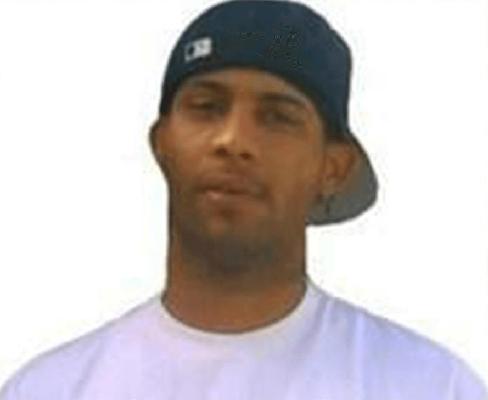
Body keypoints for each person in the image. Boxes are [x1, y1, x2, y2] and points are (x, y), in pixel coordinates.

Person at [1, 1, 487, 399]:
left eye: (278, 117)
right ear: (162, 143)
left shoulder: (428, 386)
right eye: (206, 107)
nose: (233, 140)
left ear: (333, 169)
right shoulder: (49, 389)